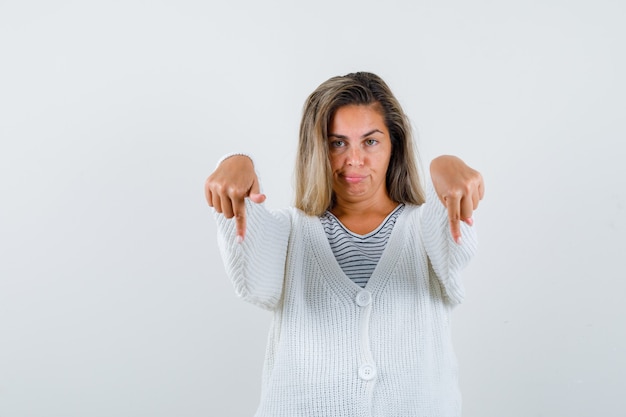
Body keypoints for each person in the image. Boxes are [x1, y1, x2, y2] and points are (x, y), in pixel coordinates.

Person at [205, 72, 484, 417]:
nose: (354, 160)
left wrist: (444, 165)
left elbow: (456, 246)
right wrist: (236, 162)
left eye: (370, 141)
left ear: (394, 144)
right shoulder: (290, 233)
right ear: (317, 149)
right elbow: (251, 277)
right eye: (337, 143)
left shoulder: (425, 227)